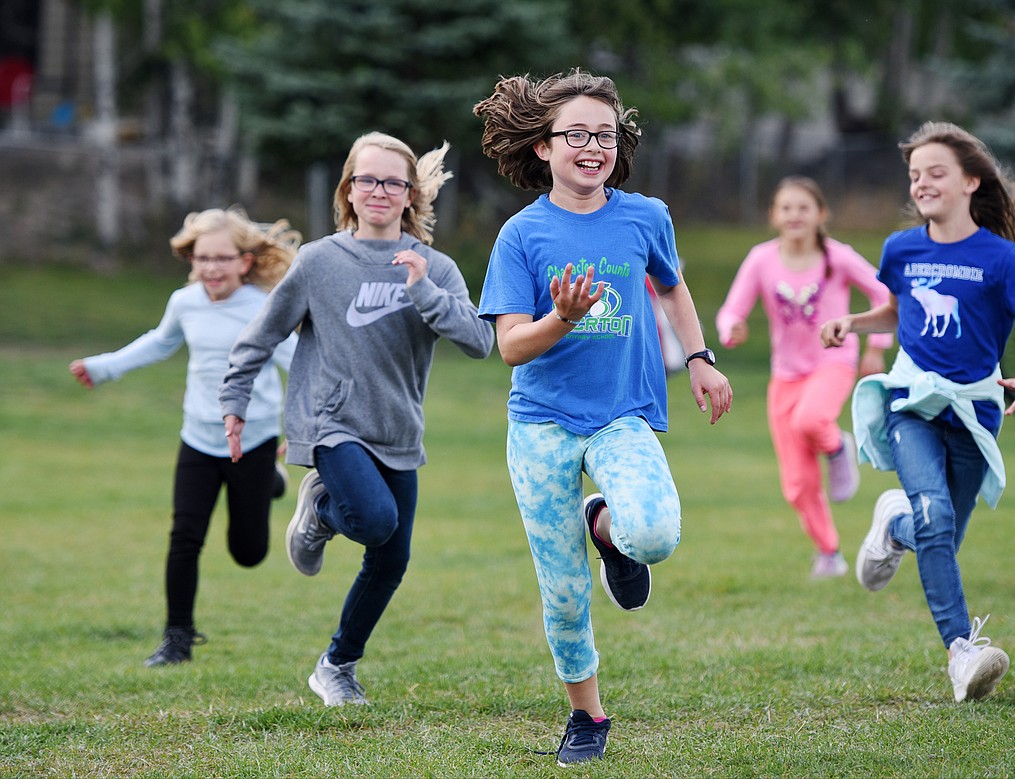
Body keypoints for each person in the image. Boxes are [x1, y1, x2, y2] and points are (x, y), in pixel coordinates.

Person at [473, 70, 733, 766]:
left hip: (622, 413)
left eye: (606, 136)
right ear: (543, 148)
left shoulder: (645, 216)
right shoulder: (521, 236)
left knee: (654, 532)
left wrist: (701, 356)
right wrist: (562, 317)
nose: (593, 147)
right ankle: (587, 714)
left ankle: (609, 530)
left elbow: (673, 290)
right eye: (578, 135)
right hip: (541, 424)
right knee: (563, 589)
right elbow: (509, 346)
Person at [219, 133, 494, 706]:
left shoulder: (435, 268)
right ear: (348, 188)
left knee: (392, 557)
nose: (379, 190)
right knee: (371, 521)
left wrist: (422, 291)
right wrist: (235, 401)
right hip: (332, 420)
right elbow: (261, 335)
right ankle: (321, 507)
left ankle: (335, 666)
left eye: (392, 182)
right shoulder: (320, 261)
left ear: (411, 194)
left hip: (397, 430)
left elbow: (479, 341)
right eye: (367, 179)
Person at [820, 121, 1015, 703]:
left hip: (975, 411)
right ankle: (962, 652)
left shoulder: (1002, 259)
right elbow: (897, 313)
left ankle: (891, 526)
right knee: (935, 514)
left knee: (937, 540)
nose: (921, 183)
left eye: (935, 172)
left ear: (971, 181)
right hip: (911, 403)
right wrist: (852, 322)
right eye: (914, 175)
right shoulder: (902, 248)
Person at [69, 206, 301, 667]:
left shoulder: (262, 307)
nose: (211, 267)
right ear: (191, 260)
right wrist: (104, 366)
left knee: (249, 552)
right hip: (196, 437)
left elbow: (298, 362)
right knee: (184, 536)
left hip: (252, 443)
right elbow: (159, 342)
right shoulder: (185, 302)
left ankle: (270, 481)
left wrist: (302, 427)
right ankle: (177, 637)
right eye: (202, 258)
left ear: (245, 261)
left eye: (222, 257)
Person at [716, 176, 892, 579]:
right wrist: (732, 331)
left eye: (803, 207)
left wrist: (877, 345)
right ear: (774, 215)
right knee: (796, 484)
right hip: (785, 376)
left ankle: (836, 447)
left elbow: (885, 293)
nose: (795, 215)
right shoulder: (761, 259)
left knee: (811, 419)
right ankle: (829, 554)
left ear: (820, 214)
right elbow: (731, 311)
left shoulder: (838, 256)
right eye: (786, 208)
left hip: (833, 362)